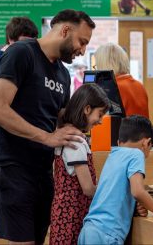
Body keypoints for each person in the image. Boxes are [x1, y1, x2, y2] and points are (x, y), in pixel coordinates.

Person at [0, 9, 96, 243]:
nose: (82, 50)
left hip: (43, 169)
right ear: (65, 30)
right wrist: (46, 137)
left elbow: (58, 116)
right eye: (82, 42)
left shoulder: (62, 74)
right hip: (13, 166)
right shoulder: (22, 53)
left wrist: (88, 117)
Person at [78, 115, 153, 245]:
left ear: (119, 141)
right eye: (150, 149)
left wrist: (136, 206)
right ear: (146, 143)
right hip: (108, 235)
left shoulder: (114, 154)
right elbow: (137, 191)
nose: (147, 155)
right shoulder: (136, 153)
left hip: (89, 230)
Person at [50, 83, 110, 245]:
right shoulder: (75, 141)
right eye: (100, 114)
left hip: (65, 216)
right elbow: (88, 189)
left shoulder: (66, 133)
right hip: (71, 218)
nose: (100, 121)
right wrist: (110, 190)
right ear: (87, 109)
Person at [94, 43, 149, 118]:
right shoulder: (139, 86)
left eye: (97, 65)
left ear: (103, 64)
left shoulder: (110, 88)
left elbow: (101, 121)